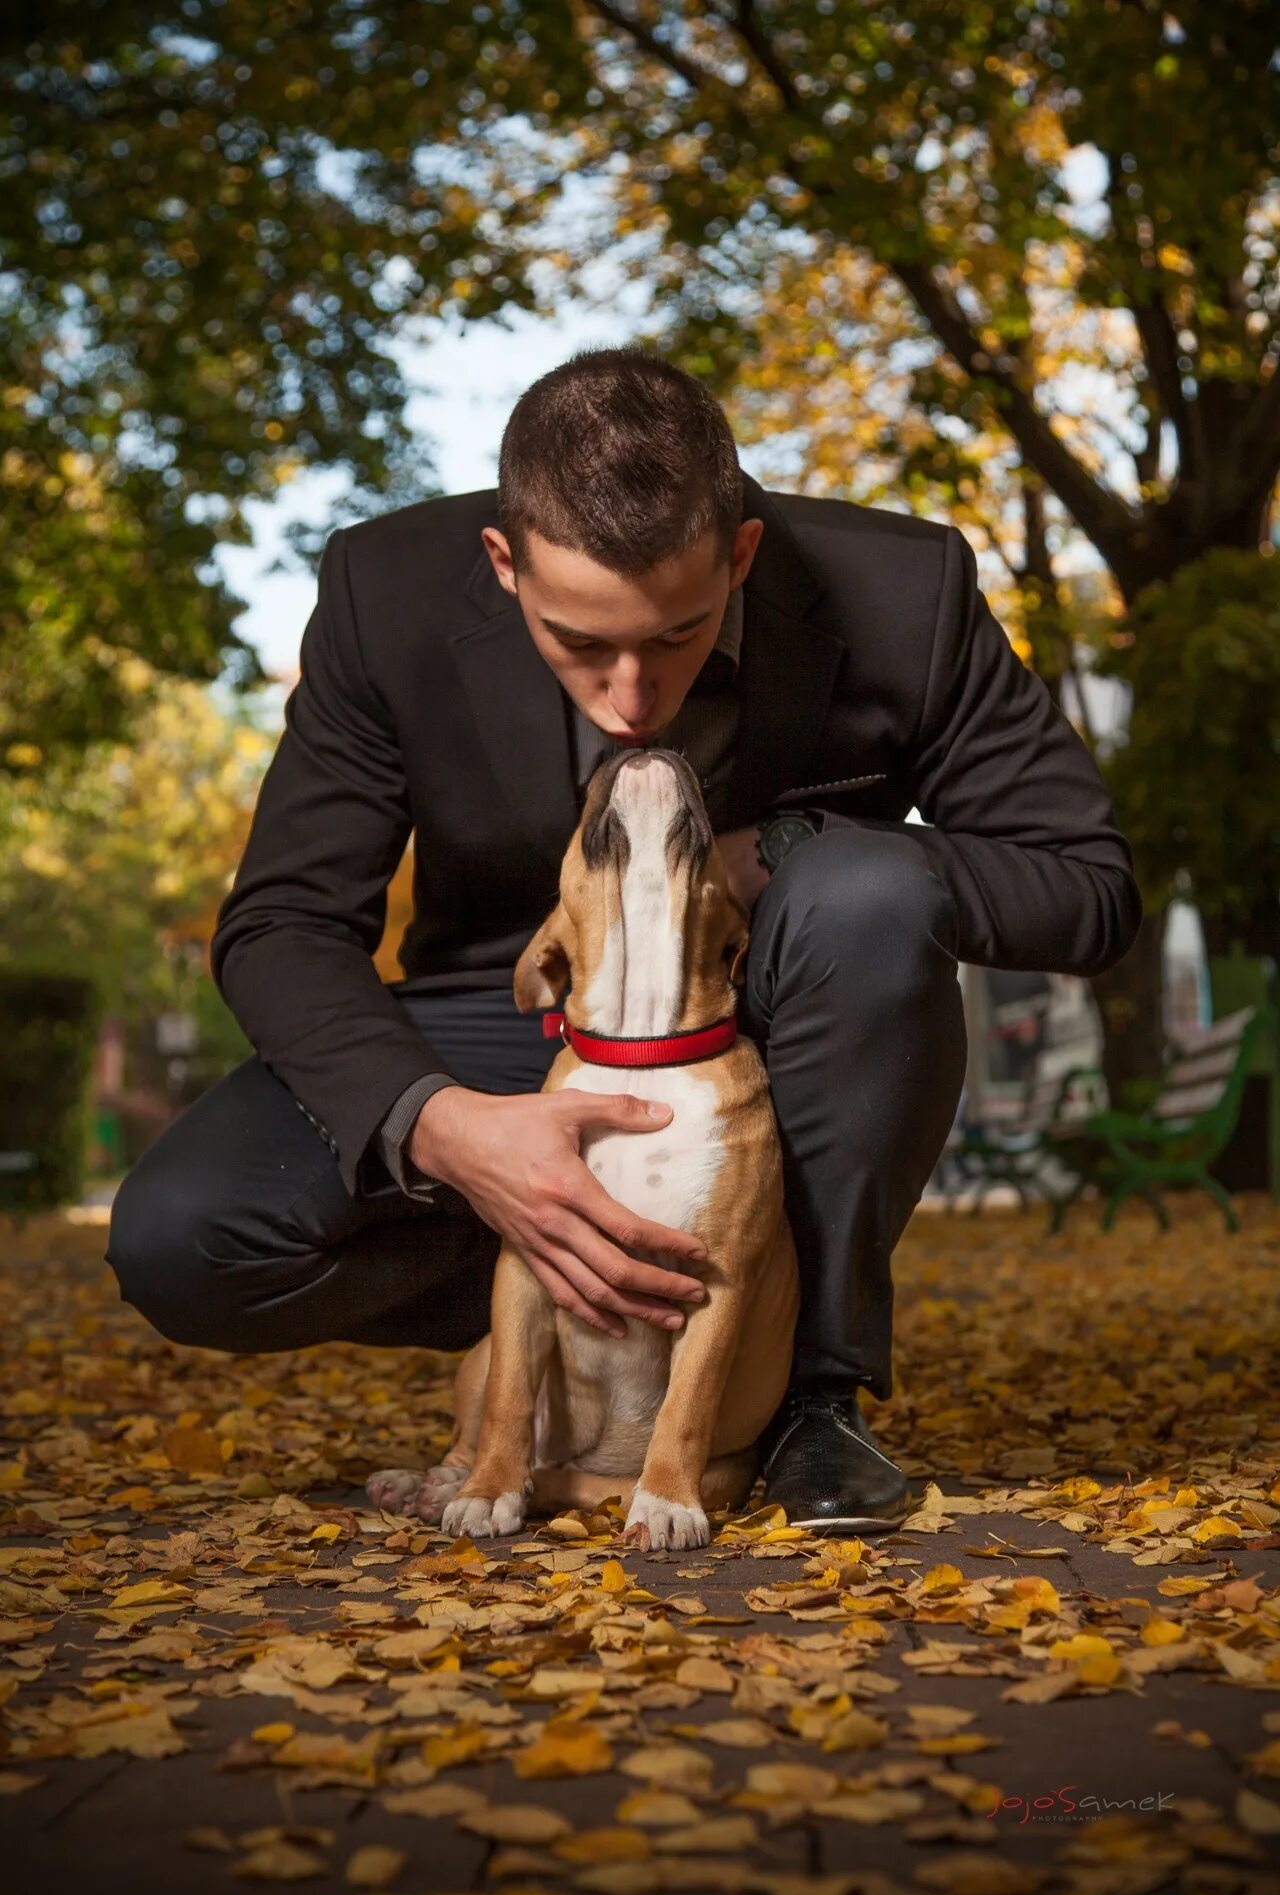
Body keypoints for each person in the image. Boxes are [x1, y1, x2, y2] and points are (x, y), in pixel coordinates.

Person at [104, 347, 1142, 1529]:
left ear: (741, 553)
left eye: (678, 633)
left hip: (775, 1016)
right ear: (504, 564)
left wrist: (792, 844)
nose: (632, 697)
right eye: (581, 645)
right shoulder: (381, 593)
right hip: (498, 1017)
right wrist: (442, 1128)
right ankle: (560, 1301)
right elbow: (283, 921)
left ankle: (811, 1397)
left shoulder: (906, 590)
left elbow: (1086, 888)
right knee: (184, 1242)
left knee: (869, 891)